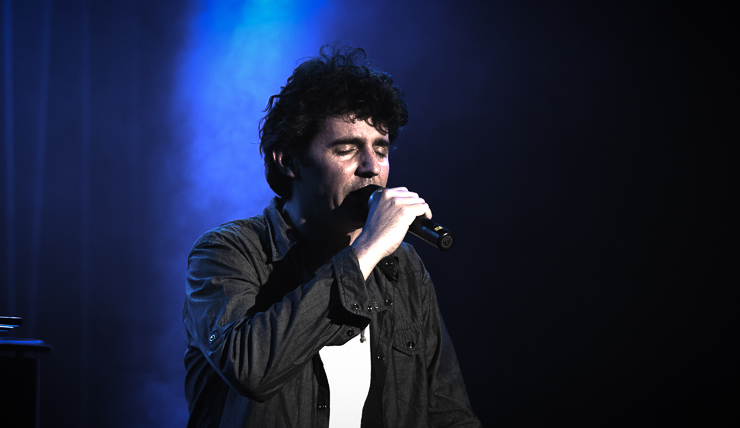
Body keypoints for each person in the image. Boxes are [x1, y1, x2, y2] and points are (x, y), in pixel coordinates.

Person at [183, 44, 481, 428]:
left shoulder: (403, 268)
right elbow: (251, 369)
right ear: (288, 161)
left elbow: (448, 414)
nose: (371, 167)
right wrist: (368, 248)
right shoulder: (227, 252)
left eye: (381, 150)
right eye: (347, 149)